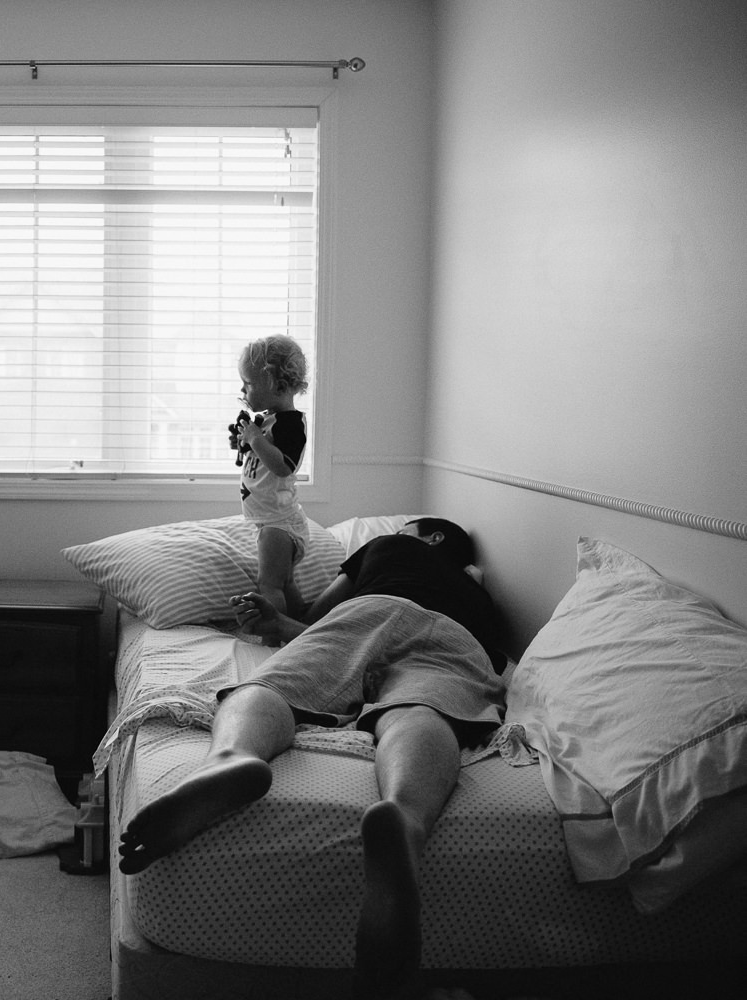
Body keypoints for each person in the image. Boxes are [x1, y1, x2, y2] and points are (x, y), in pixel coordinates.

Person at [117, 518, 506, 998]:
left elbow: (316, 622)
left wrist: (279, 624)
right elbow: (498, 658)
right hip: (454, 638)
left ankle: (232, 757)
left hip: (364, 615)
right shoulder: (482, 602)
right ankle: (406, 814)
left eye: (409, 528)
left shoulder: (384, 548)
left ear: (431, 538)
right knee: (423, 707)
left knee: (271, 686)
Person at [232, 335, 310, 616]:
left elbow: (283, 466)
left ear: (276, 384)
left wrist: (256, 440)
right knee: (284, 582)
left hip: (280, 524)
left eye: (249, 384)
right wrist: (244, 440)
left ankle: (272, 636)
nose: (243, 389)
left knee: (269, 585)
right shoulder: (267, 420)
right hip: (273, 521)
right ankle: (304, 626)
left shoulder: (291, 423)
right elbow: (259, 458)